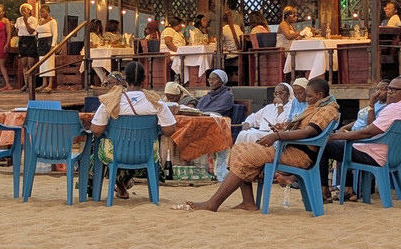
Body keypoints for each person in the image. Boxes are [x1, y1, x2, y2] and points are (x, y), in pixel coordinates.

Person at [187, 77, 339, 212]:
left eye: (310, 96)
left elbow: (308, 132)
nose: (306, 99)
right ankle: (247, 202)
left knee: (245, 156)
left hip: (300, 154)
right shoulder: (317, 107)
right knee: (239, 148)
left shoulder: (327, 110)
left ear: (320, 95)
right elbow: (302, 129)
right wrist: (283, 130)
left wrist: (277, 135)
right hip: (289, 148)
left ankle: (214, 203)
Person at [320, 75, 401, 202]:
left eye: (394, 90)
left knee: (323, 144)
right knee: (340, 144)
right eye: (389, 89)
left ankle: (324, 191)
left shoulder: (394, 109)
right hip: (393, 155)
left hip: (374, 154)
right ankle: (346, 189)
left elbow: (368, 132)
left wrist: (334, 136)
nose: (390, 92)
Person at [90, 61, 177, 199]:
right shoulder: (156, 102)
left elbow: (95, 130)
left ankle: (99, 191)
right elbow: (169, 130)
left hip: (115, 154)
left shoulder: (111, 101)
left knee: (94, 155)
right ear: (144, 79)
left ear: (125, 79)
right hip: (147, 154)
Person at [36, 4, 60, 93]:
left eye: (43, 12)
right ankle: (44, 83)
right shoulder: (40, 21)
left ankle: (50, 84)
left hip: (48, 41)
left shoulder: (52, 21)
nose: (41, 14)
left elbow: (55, 34)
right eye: (40, 12)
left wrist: (53, 46)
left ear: (48, 11)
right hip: (41, 42)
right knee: (42, 63)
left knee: (49, 63)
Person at [15, 3, 39, 91]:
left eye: (25, 10)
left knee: (31, 63)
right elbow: (17, 29)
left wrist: (26, 21)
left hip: (30, 39)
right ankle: (26, 84)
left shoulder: (33, 19)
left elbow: (30, 31)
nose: (23, 12)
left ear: (29, 10)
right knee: (24, 63)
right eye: (22, 10)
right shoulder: (18, 20)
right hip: (22, 39)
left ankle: (32, 84)